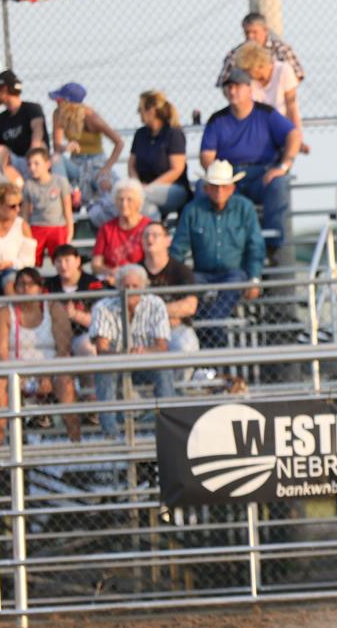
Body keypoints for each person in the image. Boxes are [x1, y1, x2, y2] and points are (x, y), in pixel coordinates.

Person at [200, 68, 300, 256]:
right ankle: (211, 242)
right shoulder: (217, 119)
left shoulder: (266, 114)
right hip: (228, 177)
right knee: (202, 187)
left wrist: (283, 166)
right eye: (228, 87)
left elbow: (293, 135)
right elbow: (206, 155)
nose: (232, 91)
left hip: (261, 175)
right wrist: (218, 176)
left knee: (279, 183)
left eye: (237, 86)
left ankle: (272, 245)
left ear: (249, 88)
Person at [170, 161, 265, 348]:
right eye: (214, 186)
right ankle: (215, 338)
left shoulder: (244, 208)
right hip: (202, 275)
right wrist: (173, 278)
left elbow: (256, 245)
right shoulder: (193, 210)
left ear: (232, 188)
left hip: (233, 273)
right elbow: (179, 248)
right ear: (206, 188)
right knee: (195, 286)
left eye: (223, 186)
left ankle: (209, 335)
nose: (219, 191)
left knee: (230, 288)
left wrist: (254, 278)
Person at [0, 267, 80, 444]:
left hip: (51, 369)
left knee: (66, 382)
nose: (26, 289)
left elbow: (63, 349)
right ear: (15, 288)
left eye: (31, 284)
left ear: (40, 287)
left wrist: (47, 375)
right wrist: (17, 378)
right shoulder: (4, 313)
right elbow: (0, 353)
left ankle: (76, 444)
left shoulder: (53, 308)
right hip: (14, 371)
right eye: (21, 285)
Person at [90, 264, 175, 439]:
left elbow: (162, 346)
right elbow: (102, 350)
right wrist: (126, 356)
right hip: (116, 365)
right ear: (118, 287)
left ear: (143, 287)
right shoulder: (103, 307)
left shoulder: (156, 304)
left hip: (147, 364)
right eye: (125, 286)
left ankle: (169, 430)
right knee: (103, 372)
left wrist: (143, 352)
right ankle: (111, 434)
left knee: (164, 370)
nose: (129, 291)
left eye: (134, 286)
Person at [49, 82, 124, 207]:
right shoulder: (58, 115)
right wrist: (65, 147)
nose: (56, 103)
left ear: (69, 104)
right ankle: (61, 197)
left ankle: (102, 210)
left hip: (96, 162)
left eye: (59, 100)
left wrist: (107, 168)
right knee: (56, 159)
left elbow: (119, 142)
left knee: (108, 186)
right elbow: (57, 147)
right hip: (76, 163)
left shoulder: (91, 117)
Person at [233, 41, 309, 155]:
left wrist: (297, 138)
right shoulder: (249, 80)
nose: (246, 74)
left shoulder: (283, 71)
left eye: (248, 70)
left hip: (281, 129)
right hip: (258, 132)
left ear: (259, 66)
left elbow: (291, 106)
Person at [128, 90, 191, 218]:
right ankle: (155, 231)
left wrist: (149, 187)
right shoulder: (140, 134)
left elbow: (177, 169)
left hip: (173, 189)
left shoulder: (173, 133)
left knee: (138, 196)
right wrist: (137, 184)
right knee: (131, 196)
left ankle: (154, 233)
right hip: (144, 189)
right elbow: (131, 165)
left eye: (140, 109)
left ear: (151, 110)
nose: (138, 112)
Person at [142, 221, 199, 362]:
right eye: (146, 235)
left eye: (155, 235)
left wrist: (150, 311)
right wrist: (170, 312)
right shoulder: (135, 272)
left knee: (186, 347)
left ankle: (179, 385)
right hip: (142, 331)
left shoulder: (181, 271)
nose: (150, 239)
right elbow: (129, 307)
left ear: (168, 241)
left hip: (175, 329)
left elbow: (189, 306)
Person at [216, 12, 305, 88]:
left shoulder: (281, 49)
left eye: (254, 32)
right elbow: (223, 82)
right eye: (247, 32)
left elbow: (298, 75)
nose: (250, 36)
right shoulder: (235, 54)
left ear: (265, 30)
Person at [44, 244, 102, 357]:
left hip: (85, 334)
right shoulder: (49, 285)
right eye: (58, 261)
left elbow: (99, 321)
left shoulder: (92, 283)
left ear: (77, 261)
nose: (63, 266)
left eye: (67, 260)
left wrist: (75, 314)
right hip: (54, 335)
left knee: (86, 346)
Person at [91, 178, 151, 284]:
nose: (124, 204)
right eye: (120, 199)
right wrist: (110, 271)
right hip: (113, 281)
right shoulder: (106, 229)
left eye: (129, 200)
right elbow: (96, 265)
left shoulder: (149, 227)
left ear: (139, 202)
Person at [22, 148, 72, 266]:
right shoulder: (28, 185)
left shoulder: (60, 181)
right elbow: (24, 213)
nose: (32, 167)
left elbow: (67, 209)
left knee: (60, 260)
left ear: (48, 164)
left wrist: (69, 233)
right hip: (37, 226)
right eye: (29, 164)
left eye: (36, 163)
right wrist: (27, 234)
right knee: (32, 261)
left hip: (57, 226)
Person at [0, 69, 48, 177]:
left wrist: (31, 157)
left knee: (40, 146)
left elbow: (37, 131)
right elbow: (1, 148)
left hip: (32, 160)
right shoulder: (2, 117)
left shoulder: (32, 108)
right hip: (13, 163)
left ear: (4, 89)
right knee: (0, 150)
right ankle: (0, 179)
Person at [0, 182, 35, 295]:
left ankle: (15, 310)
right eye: (12, 206)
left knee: (10, 278)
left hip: (15, 273)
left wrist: (10, 264)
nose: (17, 209)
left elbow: (29, 261)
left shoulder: (23, 226)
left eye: (20, 204)